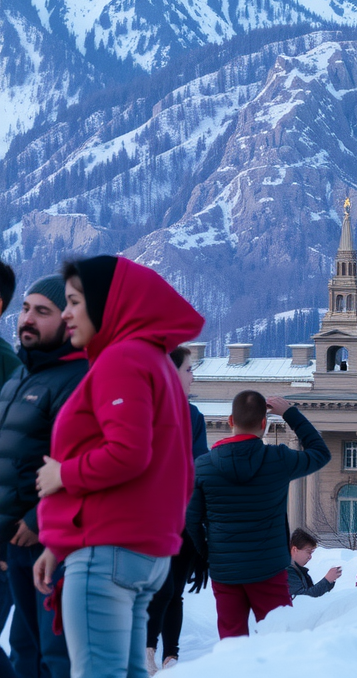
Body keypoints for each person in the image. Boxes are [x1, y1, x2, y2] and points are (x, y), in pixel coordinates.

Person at [33, 256, 203, 678]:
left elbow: (128, 453)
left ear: (107, 303)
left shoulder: (120, 359)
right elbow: (180, 470)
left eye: (74, 301)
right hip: (140, 552)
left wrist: (62, 474)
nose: (66, 312)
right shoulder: (155, 361)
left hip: (107, 554)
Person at [185, 390, 331, 638]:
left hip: (225, 569)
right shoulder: (278, 459)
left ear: (231, 421)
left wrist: (208, 554)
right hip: (270, 569)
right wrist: (289, 413)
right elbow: (320, 453)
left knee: (232, 641)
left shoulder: (203, 466)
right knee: (278, 637)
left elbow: (191, 520)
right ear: (264, 424)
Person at [0, 275, 88, 678]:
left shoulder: (78, 380)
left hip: (50, 542)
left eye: (42, 311)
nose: (28, 319)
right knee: (25, 649)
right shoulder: (21, 376)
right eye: (25, 309)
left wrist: (38, 521)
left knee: (55, 655)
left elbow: (82, 460)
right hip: (12, 541)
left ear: (67, 321)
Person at [145, 345, 209, 673]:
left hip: (183, 519)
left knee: (175, 590)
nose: (192, 376)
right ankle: (148, 649)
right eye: (187, 369)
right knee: (162, 586)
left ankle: (170, 655)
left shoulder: (194, 415)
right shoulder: (146, 409)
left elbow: (198, 469)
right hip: (153, 519)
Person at [286, 529, 342, 599]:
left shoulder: (298, 571)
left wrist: (329, 581)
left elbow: (312, 594)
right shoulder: (287, 572)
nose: (310, 557)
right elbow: (302, 599)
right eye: (308, 552)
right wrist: (327, 580)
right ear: (295, 549)